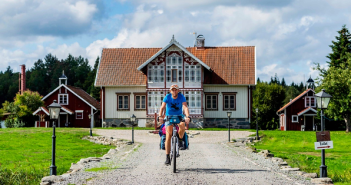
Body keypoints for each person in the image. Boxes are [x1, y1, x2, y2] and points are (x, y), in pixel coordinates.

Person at [158, 84, 190, 165]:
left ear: (178, 90)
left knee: (183, 126)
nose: (174, 91)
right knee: (168, 136)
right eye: (173, 90)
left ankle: (179, 140)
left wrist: (187, 116)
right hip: (169, 116)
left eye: (176, 90)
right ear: (170, 91)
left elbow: (185, 107)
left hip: (179, 116)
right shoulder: (167, 97)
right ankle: (167, 157)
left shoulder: (181, 96)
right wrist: (160, 116)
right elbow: (162, 107)